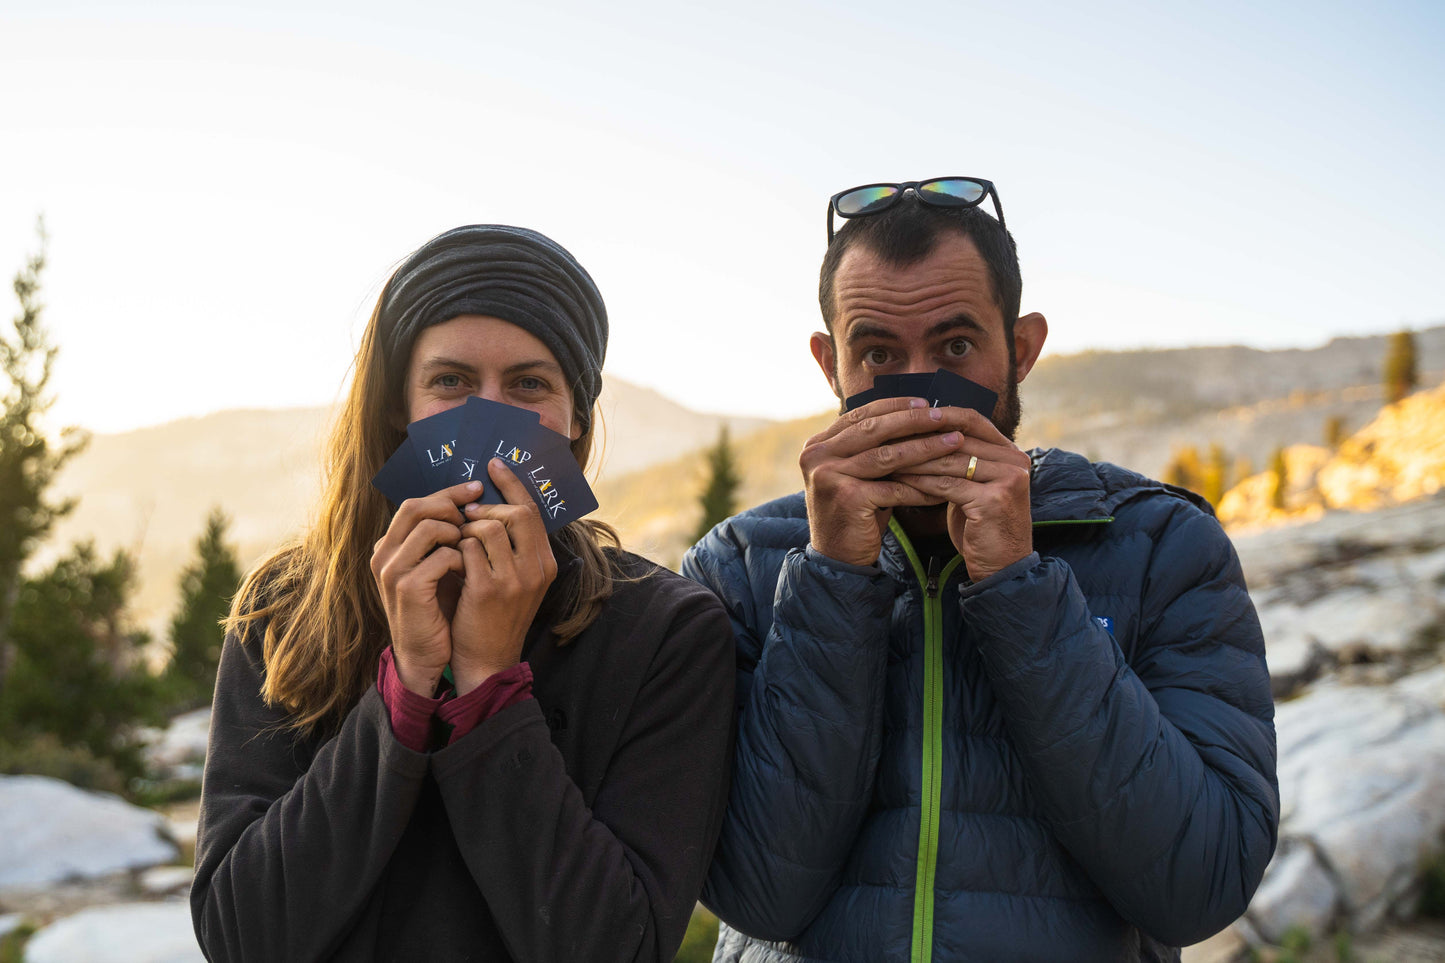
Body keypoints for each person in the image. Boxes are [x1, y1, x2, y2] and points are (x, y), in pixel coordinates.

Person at [683, 179, 1278, 962]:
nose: (922, 391)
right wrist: (830, 576)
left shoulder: (1164, 546)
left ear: (1021, 349)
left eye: (956, 347)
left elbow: (1198, 887)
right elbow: (758, 891)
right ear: (829, 362)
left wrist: (1019, 586)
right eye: (877, 354)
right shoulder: (737, 564)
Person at [191, 224, 735, 963]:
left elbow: (624, 945)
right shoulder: (286, 610)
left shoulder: (666, 631)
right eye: (450, 382)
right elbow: (243, 936)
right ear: (399, 408)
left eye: (529, 385)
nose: (491, 417)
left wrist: (488, 685)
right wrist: (405, 687)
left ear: (576, 416)